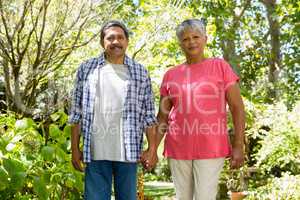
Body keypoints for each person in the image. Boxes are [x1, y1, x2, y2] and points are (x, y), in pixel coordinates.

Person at [155, 19, 246, 200]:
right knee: (183, 198)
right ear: (180, 43)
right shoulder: (171, 75)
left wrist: (238, 145)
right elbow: (162, 118)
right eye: (186, 39)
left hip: (211, 145)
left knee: (204, 197)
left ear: (205, 38)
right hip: (178, 147)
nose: (191, 42)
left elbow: (237, 108)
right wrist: (152, 149)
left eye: (196, 36)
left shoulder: (220, 67)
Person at [68, 20, 158, 200]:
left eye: (120, 37)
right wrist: (75, 149)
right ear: (103, 42)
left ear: (127, 41)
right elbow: (76, 112)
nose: (116, 41)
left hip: (128, 152)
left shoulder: (140, 72)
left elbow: (149, 115)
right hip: (95, 152)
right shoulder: (87, 69)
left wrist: (152, 149)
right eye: (110, 38)